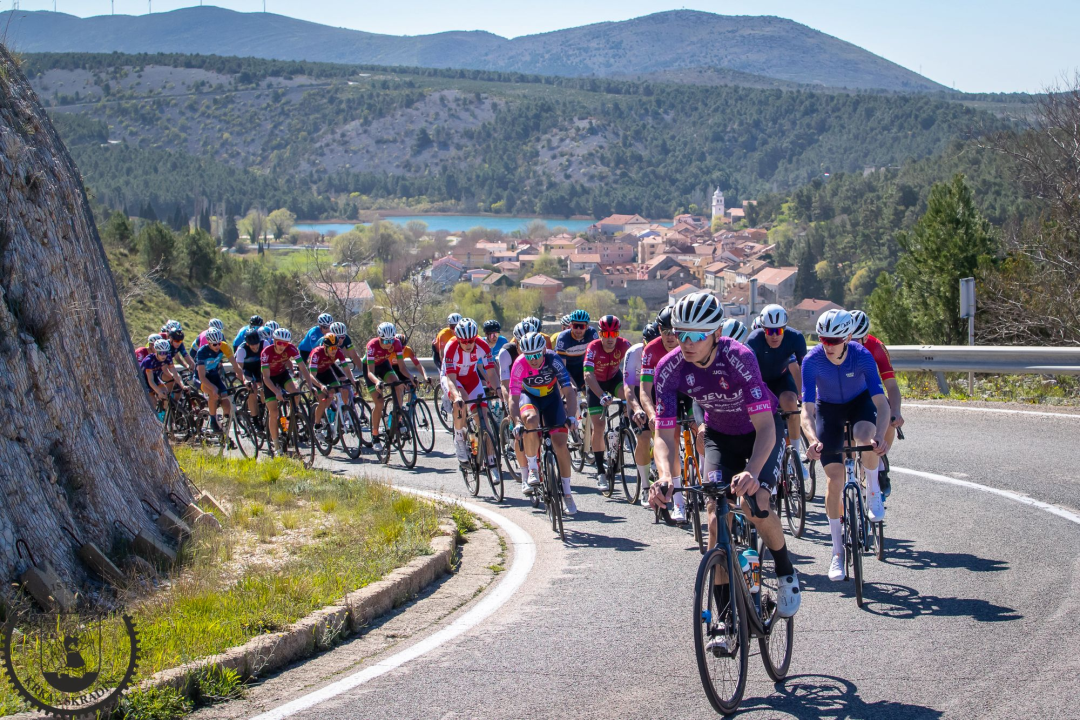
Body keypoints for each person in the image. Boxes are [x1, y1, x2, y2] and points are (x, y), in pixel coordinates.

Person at [652, 292, 801, 620]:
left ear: (717, 334)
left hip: (758, 433)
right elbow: (663, 434)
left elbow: (765, 427)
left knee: (756, 502)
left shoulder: (739, 357)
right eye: (680, 335)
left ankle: (785, 569)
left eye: (696, 336)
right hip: (720, 435)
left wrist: (752, 470)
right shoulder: (669, 368)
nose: (686, 343)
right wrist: (664, 475)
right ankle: (726, 619)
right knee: (715, 520)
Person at [800, 309, 891, 582]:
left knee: (865, 436)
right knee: (834, 480)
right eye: (823, 339)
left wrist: (882, 437)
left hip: (858, 402)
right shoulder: (811, 360)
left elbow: (882, 404)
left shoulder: (862, 356)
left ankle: (873, 490)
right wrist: (813, 440)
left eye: (834, 340)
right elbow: (805, 411)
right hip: (828, 408)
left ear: (848, 337)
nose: (828, 345)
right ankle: (837, 553)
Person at [509, 332, 580, 514]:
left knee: (561, 445)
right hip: (529, 397)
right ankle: (533, 468)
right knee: (530, 421)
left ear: (543, 350)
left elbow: (569, 391)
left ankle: (567, 493)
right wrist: (517, 421)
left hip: (551, 398)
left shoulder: (553, 359)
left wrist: (571, 416)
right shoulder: (519, 364)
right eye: (529, 355)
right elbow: (514, 397)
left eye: (537, 355)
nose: (533, 359)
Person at [639, 305, 694, 522]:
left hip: (689, 392)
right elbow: (644, 390)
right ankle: (678, 503)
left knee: (702, 433)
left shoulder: (690, 343)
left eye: (675, 331)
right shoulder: (650, 351)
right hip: (664, 393)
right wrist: (652, 414)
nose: (671, 337)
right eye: (666, 332)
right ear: (659, 329)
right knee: (671, 438)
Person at [850, 310, 903, 496]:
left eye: (858, 340)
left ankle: (880, 462)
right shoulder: (838, 346)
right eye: (850, 339)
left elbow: (892, 386)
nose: (853, 344)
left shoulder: (876, 347)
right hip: (845, 395)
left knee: (888, 414)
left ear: (866, 336)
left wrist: (896, 411)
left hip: (870, 393)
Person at [745, 304, 808, 458]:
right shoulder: (754, 340)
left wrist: (805, 397)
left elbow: (805, 368)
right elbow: (748, 372)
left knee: (790, 402)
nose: (774, 336)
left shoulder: (796, 338)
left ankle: (796, 456)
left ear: (784, 329)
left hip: (782, 379)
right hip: (760, 381)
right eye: (769, 331)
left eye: (779, 331)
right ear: (763, 329)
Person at [582, 314, 631, 489]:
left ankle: (624, 428)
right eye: (606, 334)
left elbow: (636, 364)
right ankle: (600, 472)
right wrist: (602, 395)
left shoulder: (624, 345)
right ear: (601, 334)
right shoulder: (593, 347)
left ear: (618, 333)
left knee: (628, 397)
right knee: (600, 426)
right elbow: (587, 375)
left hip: (613, 379)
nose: (610, 339)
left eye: (614, 334)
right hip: (596, 384)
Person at [442, 318, 496, 464]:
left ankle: (491, 459)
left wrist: (498, 389)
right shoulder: (451, 347)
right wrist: (457, 397)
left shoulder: (482, 346)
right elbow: (451, 379)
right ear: (458, 339)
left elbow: (491, 372)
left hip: (471, 378)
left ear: (476, 337)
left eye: (471, 340)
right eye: (464, 341)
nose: (468, 344)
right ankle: (459, 439)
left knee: (483, 418)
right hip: (453, 379)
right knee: (462, 401)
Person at [261, 327, 317, 453]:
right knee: (274, 412)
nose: (282, 346)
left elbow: (303, 367)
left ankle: (291, 417)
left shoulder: (291, 348)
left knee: (296, 392)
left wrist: (310, 386)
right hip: (270, 379)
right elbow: (265, 377)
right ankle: (276, 445)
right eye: (280, 343)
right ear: (274, 341)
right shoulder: (266, 352)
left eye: (285, 344)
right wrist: (276, 392)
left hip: (282, 375)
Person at [366, 322, 416, 452]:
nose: (388, 343)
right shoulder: (372, 345)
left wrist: (410, 377)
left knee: (398, 385)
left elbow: (402, 367)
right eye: (385, 340)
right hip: (371, 370)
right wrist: (377, 382)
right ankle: (375, 435)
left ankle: (397, 417)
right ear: (380, 338)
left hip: (384, 365)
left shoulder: (396, 343)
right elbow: (370, 372)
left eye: (390, 340)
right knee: (379, 403)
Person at [624, 322, 659, 503]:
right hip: (638, 393)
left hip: (657, 392)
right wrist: (636, 408)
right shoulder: (634, 353)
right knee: (644, 437)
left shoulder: (664, 350)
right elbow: (628, 389)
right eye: (648, 342)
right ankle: (645, 486)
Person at [499, 321, 531, 493]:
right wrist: (510, 406)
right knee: (519, 432)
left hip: (529, 388)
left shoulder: (536, 351)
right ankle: (524, 474)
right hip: (511, 388)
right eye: (520, 344)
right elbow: (504, 384)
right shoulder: (506, 352)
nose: (524, 348)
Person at [195, 328, 232, 434]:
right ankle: (212, 420)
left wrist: (243, 379)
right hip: (202, 378)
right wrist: (213, 387)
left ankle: (224, 431)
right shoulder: (202, 352)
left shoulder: (223, 347)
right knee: (213, 393)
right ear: (209, 343)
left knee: (226, 402)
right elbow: (201, 376)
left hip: (214, 376)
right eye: (214, 344)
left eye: (219, 343)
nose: (217, 346)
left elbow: (235, 364)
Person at [308, 333, 349, 430]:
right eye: (331, 349)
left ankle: (339, 415)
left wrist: (352, 380)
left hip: (326, 372)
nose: (334, 351)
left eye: (335, 348)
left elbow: (346, 368)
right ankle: (317, 425)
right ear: (325, 347)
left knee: (339, 388)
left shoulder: (338, 351)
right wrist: (321, 386)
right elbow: (311, 375)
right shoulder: (316, 353)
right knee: (323, 401)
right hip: (315, 375)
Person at [555, 309, 598, 390]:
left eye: (582, 326)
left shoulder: (592, 334)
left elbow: (596, 357)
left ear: (587, 326)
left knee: (591, 391)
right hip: (567, 368)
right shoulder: (563, 338)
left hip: (582, 367)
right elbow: (561, 367)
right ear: (570, 325)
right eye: (575, 326)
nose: (578, 330)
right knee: (572, 390)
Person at [234, 328, 269, 425]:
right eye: (252, 345)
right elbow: (239, 370)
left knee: (265, 387)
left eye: (256, 343)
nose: (255, 347)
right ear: (247, 344)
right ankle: (255, 419)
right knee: (252, 390)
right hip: (246, 370)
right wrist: (245, 380)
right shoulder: (242, 349)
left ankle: (263, 407)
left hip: (259, 367)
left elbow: (270, 361)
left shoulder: (264, 344)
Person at [141, 338, 176, 405]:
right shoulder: (149, 360)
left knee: (165, 394)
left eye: (166, 353)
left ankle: (162, 414)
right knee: (153, 402)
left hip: (154, 377)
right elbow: (150, 380)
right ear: (156, 351)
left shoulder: (168, 357)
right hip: (144, 379)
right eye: (161, 353)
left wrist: (182, 385)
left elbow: (174, 373)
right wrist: (159, 391)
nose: (164, 355)